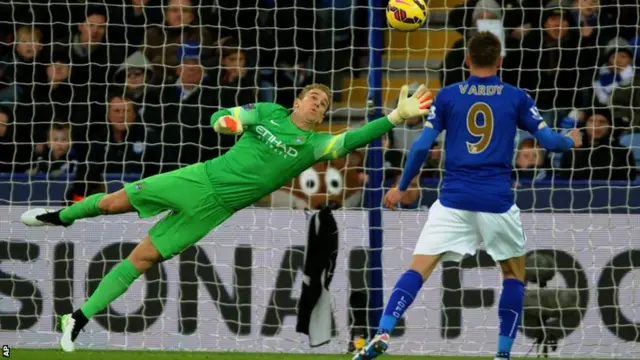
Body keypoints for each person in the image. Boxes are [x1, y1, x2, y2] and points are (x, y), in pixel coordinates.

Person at [20, 82, 433, 352]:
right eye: (313, 97)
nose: (318, 103)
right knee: (112, 203)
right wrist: (230, 121)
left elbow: (354, 137)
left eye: (324, 104)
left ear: (323, 116)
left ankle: (76, 318)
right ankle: (62, 215)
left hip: (215, 209)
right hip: (197, 179)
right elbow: (226, 118)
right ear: (297, 101)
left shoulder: (316, 145)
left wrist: (395, 117)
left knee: (143, 259)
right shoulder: (270, 112)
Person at [352, 32, 582, 360]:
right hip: (497, 202)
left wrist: (401, 187)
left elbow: (419, 147)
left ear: (466, 60)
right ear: (500, 61)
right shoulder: (517, 97)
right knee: (513, 276)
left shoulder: (446, 96)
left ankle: (384, 330)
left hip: (453, 201)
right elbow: (551, 141)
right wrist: (572, 139)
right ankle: (502, 354)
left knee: (418, 269)